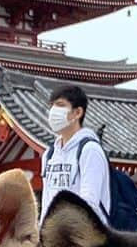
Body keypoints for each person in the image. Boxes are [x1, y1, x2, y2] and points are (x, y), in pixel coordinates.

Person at [41, 84, 111, 224]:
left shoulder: (90, 150)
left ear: (78, 112)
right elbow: (46, 201)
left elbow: (89, 203)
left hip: (84, 237)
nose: (54, 111)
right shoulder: (49, 154)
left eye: (60, 105)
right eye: (52, 105)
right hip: (55, 237)